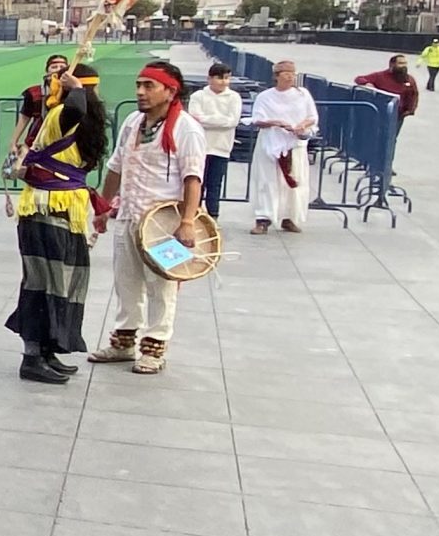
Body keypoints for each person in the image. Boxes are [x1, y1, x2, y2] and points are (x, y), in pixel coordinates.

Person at [90, 60, 208, 376]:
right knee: (126, 282)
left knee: (162, 285)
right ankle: (123, 343)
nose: (140, 92)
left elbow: (193, 178)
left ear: (170, 91)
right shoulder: (132, 122)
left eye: (148, 86)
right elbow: (116, 166)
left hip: (164, 224)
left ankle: (155, 347)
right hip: (128, 215)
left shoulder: (187, 128)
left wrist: (187, 222)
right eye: (138, 85)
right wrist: (103, 206)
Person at [5, 64, 108, 384]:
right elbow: (76, 107)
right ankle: (32, 356)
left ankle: (48, 350)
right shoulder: (62, 115)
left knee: (65, 282)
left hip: (66, 210)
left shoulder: (75, 117)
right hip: (45, 210)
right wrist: (75, 88)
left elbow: (78, 108)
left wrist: (72, 87)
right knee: (42, 283)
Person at [249, 61, 318, 234]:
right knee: (267, 181)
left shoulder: (303, 95)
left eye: (292, 73)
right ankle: (263, 219)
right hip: (270, 143)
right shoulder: (265, 96)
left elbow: (312, 117)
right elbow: (257, 119)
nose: (290, 76)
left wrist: (301, 125)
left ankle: (289, 218)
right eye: (285, 73)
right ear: (276, 76)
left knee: (294, 181)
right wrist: (275, 122)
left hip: (294, 143)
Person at [186, 63, 243, 204]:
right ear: (209, 79)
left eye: (227, 78)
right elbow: (194, 118)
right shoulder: (198, 96)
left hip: (222, 147)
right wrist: (220, 120)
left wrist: (206, 119)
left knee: (215, 185)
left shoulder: (234, 97)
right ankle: (194, 216)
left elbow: (232, 121)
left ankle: (213, 218)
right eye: (220, 78)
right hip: (200, 147)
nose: (224, 82)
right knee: (198, 184)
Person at [10, 54, 73, 159]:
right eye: (54, 67)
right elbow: (25, 117)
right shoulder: (34, 92)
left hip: (64, 141)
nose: (57, 70)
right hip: (36, 139)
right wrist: (13, 142)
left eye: (62, 67)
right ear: (47, 70)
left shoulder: (73, 91)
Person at [355, 55, 420, 120]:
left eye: (405, 63)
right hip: (379, 113)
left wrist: (410, 110)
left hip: (398, 115)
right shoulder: (380, 76)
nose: (404, 66)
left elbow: (414, 94)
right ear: (392, 64)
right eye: (400, 63)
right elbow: (359, 79)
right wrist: (366, 83)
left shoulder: (410, 80)